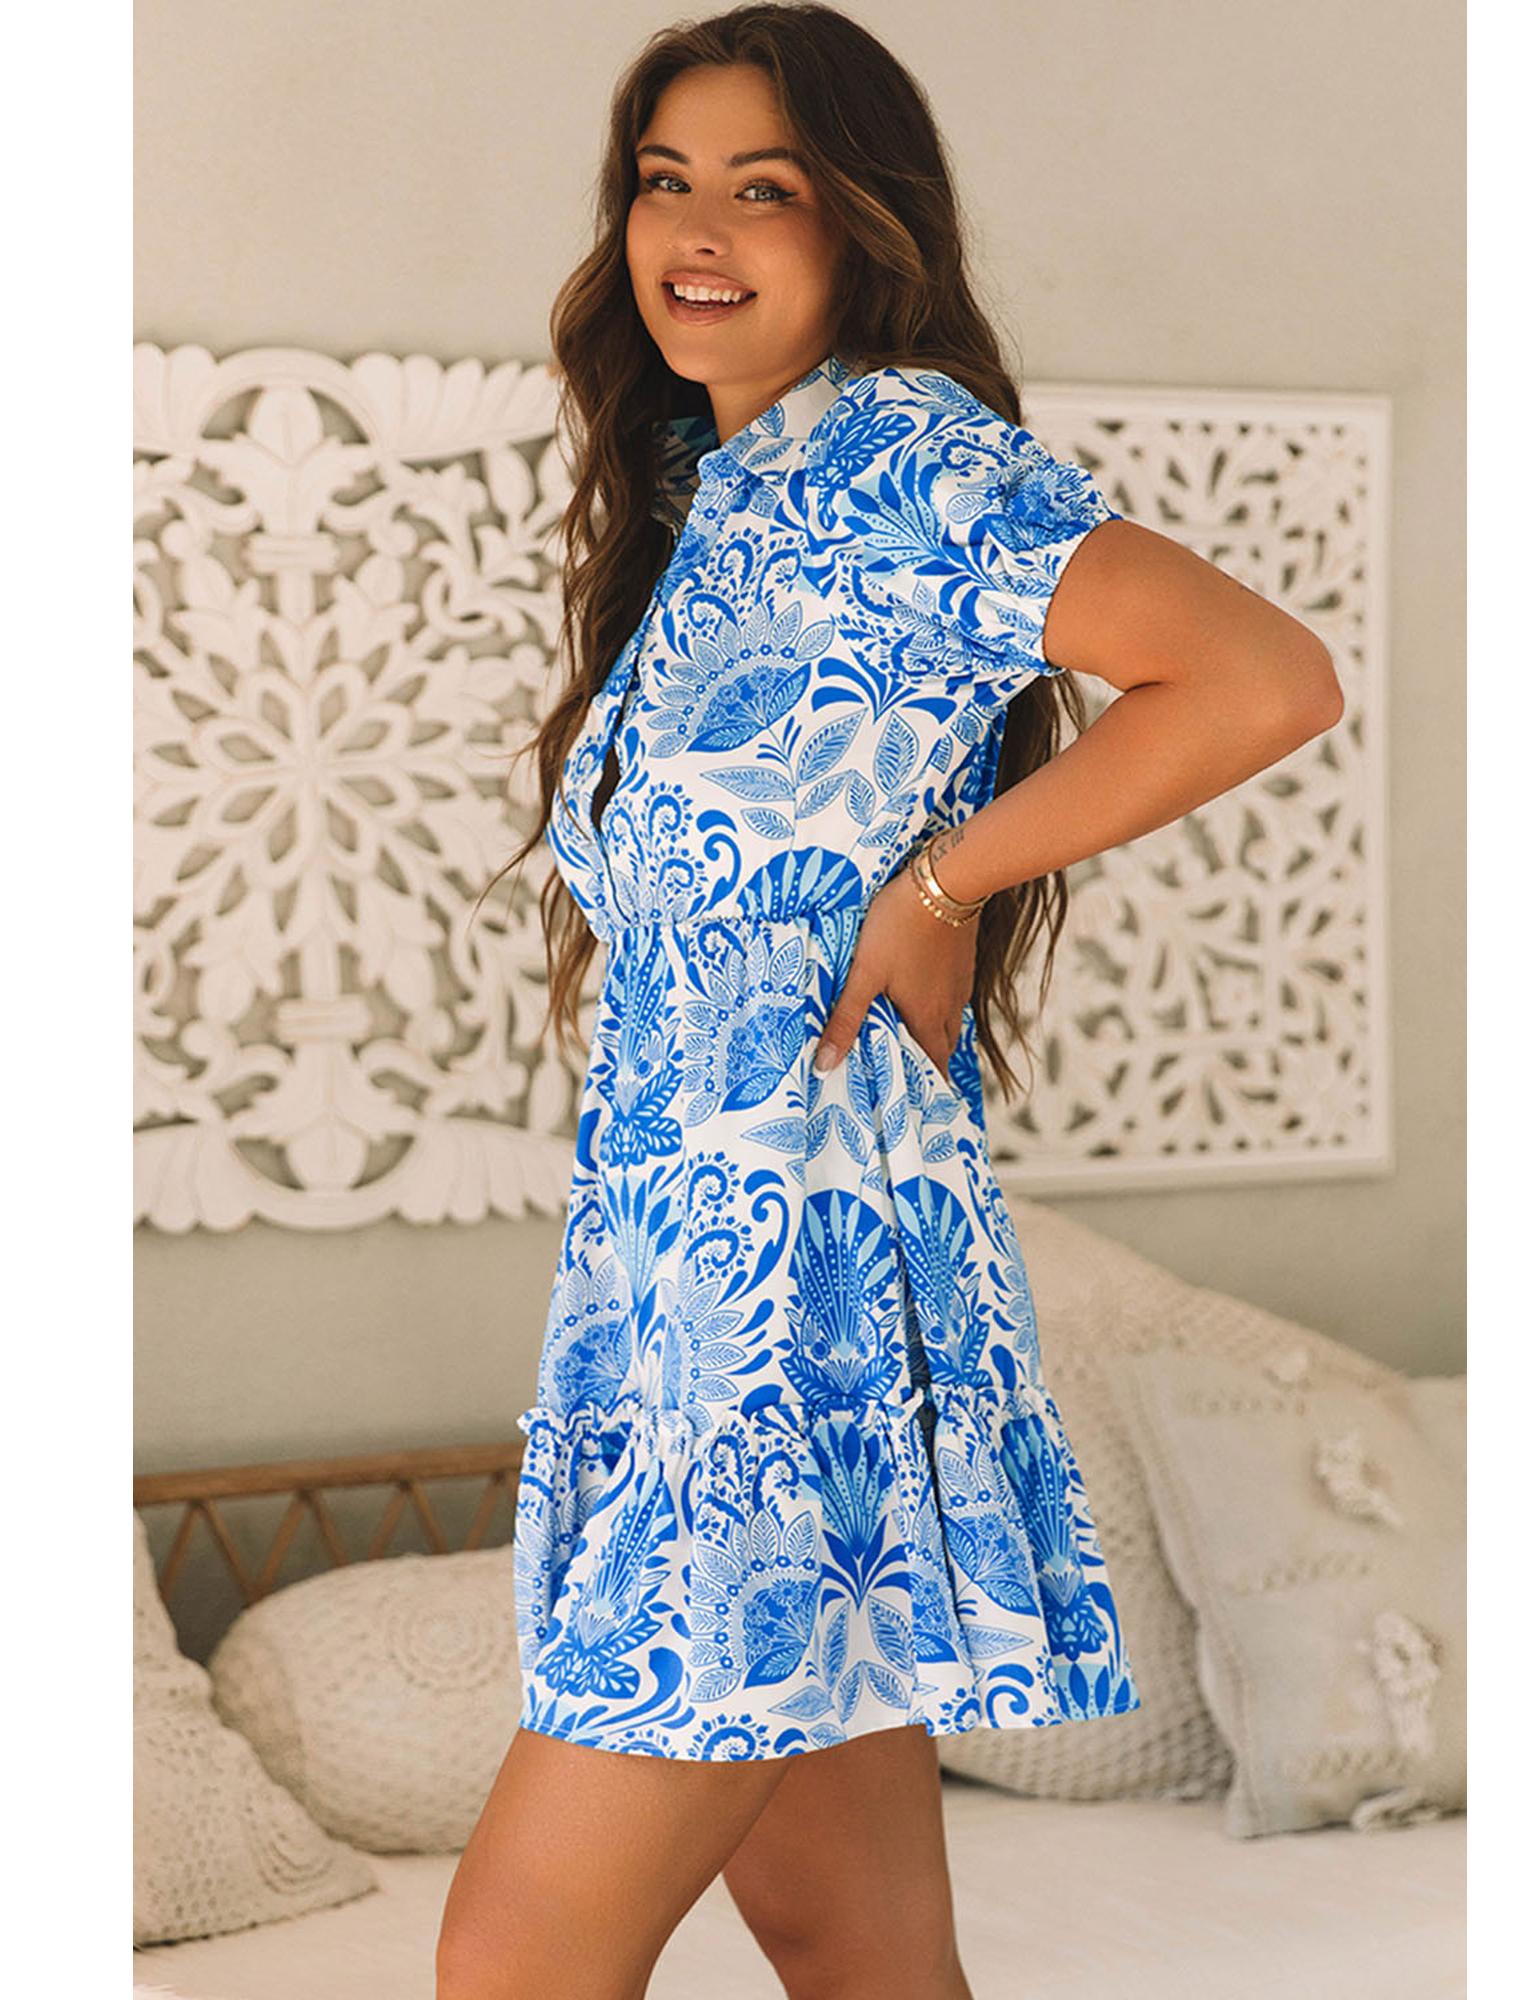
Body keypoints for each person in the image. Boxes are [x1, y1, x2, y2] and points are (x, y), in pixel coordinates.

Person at [439, 7, 1343, 1997]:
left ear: (862, 226)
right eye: (662, 182)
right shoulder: (716, 493)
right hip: (693, 1304)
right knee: (847, 1938)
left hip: (780, 1334)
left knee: (513, 1951)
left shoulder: (895, 458)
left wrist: (948, 880)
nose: (695, 231)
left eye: (761, 188)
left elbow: (1263, 677)